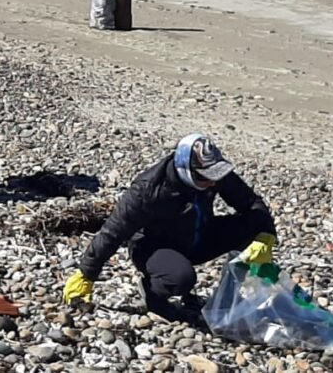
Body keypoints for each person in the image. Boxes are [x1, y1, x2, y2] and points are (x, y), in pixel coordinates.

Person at [62, 134, 277, 322]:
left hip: (199, 234)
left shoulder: (213, 174)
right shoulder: (147, 190)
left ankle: (236, 297)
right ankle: (152, 293)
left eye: (215, 176)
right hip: (154, 247)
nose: (212, 183)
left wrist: (266, 235)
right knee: (181, 278)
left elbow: (250, 202)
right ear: (185, 170)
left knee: (254, 226)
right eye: (205, 178)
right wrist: (86, 274)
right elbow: (113, 231)